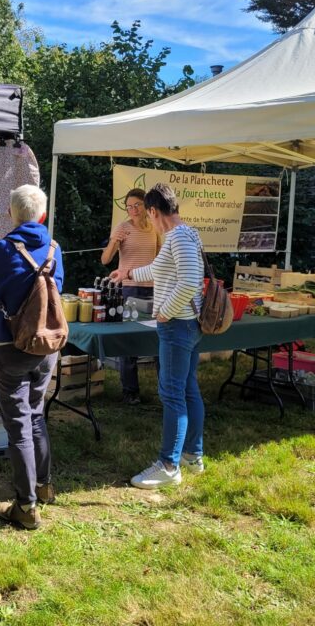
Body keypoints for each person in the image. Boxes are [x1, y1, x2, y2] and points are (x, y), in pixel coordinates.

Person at [0, 184, 64, 530]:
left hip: (8, 345)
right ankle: (44, 485)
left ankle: (26, 507)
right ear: (42, 214)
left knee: (18, 425)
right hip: (46, 345)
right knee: (36, 414)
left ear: (12, 213)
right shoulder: (56, 249)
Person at [111, 183, 206, 489]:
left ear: (153, 211)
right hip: (186, 325)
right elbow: (161, 269)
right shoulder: (184, 233)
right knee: (188, 388)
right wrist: (127, 274)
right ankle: (193, 454)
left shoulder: (177, 236)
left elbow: (191, 281)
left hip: (177, 325)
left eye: (146, 213)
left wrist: (166, 309)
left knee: (172, 394)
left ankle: (168, 464)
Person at [101, 187, 159, 405]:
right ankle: (130, 391)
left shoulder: (155, 228)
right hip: (130, 290)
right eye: (129, 207)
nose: (133, 210)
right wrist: (115, 241)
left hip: (154, 289)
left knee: (157, 339)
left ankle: (165, 389)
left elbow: (161, 258)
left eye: (137, 205)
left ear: (146, 206)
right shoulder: (123, 227)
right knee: (130, 342)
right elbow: (105, 260)